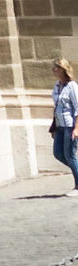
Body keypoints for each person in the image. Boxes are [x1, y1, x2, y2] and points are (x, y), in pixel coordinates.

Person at [52, 61, 78, 192]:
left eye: (57, 67)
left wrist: (76, 128)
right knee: (58, 153)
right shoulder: (57, 85)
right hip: (59, 126)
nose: (54, 69)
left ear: (63, 69)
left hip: (69, 125)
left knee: (70, 156)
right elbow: (56, 107)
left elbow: (77, 107)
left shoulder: (72, 86)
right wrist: (54, 127)